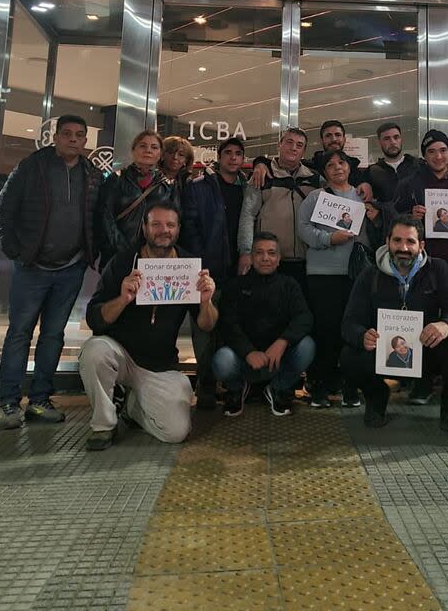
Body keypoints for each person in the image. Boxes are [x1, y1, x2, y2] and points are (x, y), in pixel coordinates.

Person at [0, 114, 102, 429]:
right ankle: (9, 404)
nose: (73, 139)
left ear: (84, 141)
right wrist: (15, 250)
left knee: (53, 335)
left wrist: (87, 255)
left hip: (70, 270)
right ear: (55, 136)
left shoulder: (91, 174)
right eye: (66, 133)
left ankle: (39, 400)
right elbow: (3, 208)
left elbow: (95, 216)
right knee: (18, 334)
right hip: (32, 269)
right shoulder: (32, 167)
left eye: (79, 135)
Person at [80, 202, 217, 450]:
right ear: (144, 228)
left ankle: (131, 407)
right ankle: (103, 424)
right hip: (120, 355)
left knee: (176, 432)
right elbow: (95, 319)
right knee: (94, 351)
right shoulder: (123, 262)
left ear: (178, 229)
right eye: (156, 224)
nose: (163, 230)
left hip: (159, 366)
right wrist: (123, 299)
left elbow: (206, 325)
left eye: (170, 225)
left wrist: (206, 302)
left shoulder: (188, 265)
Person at [340, 216, 448, 438]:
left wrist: (445, 324)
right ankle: (376, 396)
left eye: (411, 242)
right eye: (397, 240)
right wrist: (362, 335)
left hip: (425, 349)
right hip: (384, 351)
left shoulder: (438, 269)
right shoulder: (370, 274)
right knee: (349, 356)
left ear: (421, 245)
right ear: (387, 242)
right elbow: (349, 322)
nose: (403, 248)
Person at [394, 128, 448, 404]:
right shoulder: (410, 182)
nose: (438, 156)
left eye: (443, 150)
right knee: (423, 317)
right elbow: (395, 217)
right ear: (424, 155)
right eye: (432, 151)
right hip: (424, 263)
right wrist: (411, 214)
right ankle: (423, 381)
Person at [297, 151, 377, 410]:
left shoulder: (362, 197)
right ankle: (319, 384)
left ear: (349, 167)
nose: (337, 168)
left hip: (355, 275)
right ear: (324, 172)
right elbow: (304, 229)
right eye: (330, 165)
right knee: (325, 330)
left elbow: (371, 234)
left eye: (341, 163)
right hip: (322, 275)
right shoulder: (316, 197)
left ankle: (349, 385)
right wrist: (329, 239)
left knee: (352, 332)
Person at [212, 232, 315, 418]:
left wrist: (282, 342)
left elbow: (304, 317)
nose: (265, 258)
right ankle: (236, 390)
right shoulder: (235, 286)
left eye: (271, 253)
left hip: (278, 359)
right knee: (222, 359)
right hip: (244, 359)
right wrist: (248, 352)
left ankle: (277, 389)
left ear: (279, 258)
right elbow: (228, 324)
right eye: (259, 253)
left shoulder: (289, 285)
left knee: (307, 346)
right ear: (251, 257)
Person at [180, 135, 248, 409]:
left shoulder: (249, 189)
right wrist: (201, 262)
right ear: (219, 157)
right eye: (228, 153)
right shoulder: (200, 187)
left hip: (240, 273)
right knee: (204, 331)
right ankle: (206, 387)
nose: (233, 157)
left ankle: (232, 385)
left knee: (232, 329)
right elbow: (190, 227)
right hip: (209, 271)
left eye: (238, 153)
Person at [238, 127, 320, 291]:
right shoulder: (261, 175)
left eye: (299, 145)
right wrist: (246, 252)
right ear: (279, 145)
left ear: (303, 151)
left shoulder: (315, 179)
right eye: (289, 142)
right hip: (268, 261)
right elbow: (248, 215)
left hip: (305, 262)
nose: (294, 147)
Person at [97, 130, 173, 270]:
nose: (148, 150)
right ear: (133, 150)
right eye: (142, 146)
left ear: (160, 154)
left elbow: (172, 222)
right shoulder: (116, 179)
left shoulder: (167, 186)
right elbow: (105, 218)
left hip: (153, 259)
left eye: (154, 147)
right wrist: (125, 251)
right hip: (116, 257)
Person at [367, 122, 421, 215]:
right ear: (379, 142)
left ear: (401, 139)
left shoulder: (417, 165)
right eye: (387, 139)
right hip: (386, 227)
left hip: (416, 226)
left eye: (396, 137)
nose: (392, 142)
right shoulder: (372, 172)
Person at [158, 135, 195, 209]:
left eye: (181, 155)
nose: (175, 157)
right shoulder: (152, 178)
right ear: (162, 154)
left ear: (186, 160)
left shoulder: (189, 183)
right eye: (171, 152)